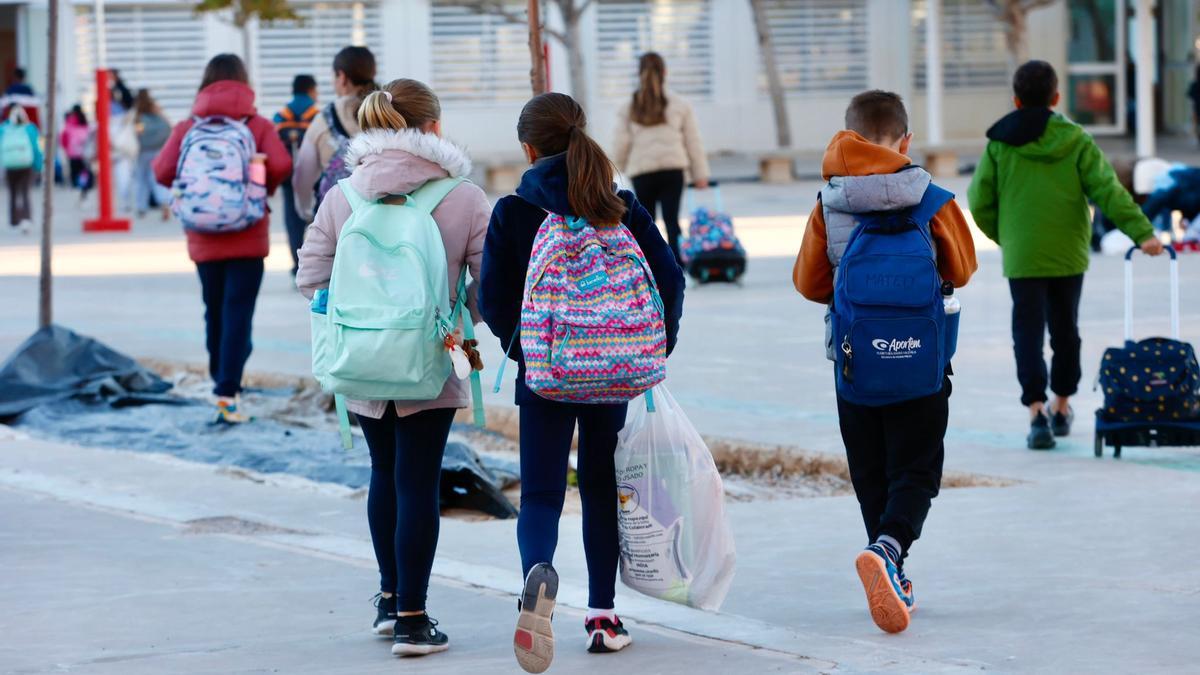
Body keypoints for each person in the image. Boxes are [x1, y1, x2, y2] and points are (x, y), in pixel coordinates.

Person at [479, 92, 684, 672]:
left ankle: (537, 581)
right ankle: (601, 615)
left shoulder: (515, 210)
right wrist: (649, 343)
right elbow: (669, 278)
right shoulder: (619, 204)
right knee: (599, 486)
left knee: (542, 492)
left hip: (546, 374)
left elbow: (492, 298)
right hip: (614, 370)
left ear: (528, 148)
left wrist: (525, 350)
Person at [296, 78, 490, 658]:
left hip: (360, 360)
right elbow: (490, 289)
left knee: (384, 471)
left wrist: (363, 309)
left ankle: (388, 601)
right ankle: (413, 619)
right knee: (418, 480)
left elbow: (310, 279)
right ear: (433, 127)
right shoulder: (463, 195)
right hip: (431, 359)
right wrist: (462, 323)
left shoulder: (343, 194)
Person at [794, 90, 977, 635]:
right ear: (905, 140)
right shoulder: (934, 198)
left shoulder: (830, 202)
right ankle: (890, 550)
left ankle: (889, 560)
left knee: (872, 470)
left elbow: (810, 283)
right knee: (916, 468)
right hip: (922, 363)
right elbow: (962, 269)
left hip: (855, 365)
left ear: (849, 135)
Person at [967, 60, 1163, 450]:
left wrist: (1009, 237)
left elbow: (979, 200)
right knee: (1065, 331)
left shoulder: (999, 143)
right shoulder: (1076, 139)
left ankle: (1036, 412)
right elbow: (1108, 191)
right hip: (1068, 253)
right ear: (1057, 97)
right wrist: (1143, 234)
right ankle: (1061, 406)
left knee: (1026, 333)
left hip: (1024, 254)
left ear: (1016, 99)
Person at [153, 54, 291, 423]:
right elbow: (280, 165)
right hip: (248, 233)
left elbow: (162, 170)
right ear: (244, 83)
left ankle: (221, 381)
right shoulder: (257, 124)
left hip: (202, 236)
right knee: (238, 313)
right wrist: (260, 190)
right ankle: (227, 390)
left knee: (213, 310)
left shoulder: (188, 127)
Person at [612, 52, 709, 263]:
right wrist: (700, 174)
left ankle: (650, 265)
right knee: (672, 220)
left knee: (647, 222)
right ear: (665, 72)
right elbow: (693, 141)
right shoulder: (680, 104)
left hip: (642, 171)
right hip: (673, 170)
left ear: (639, 74)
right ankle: (676, 265)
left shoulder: (629, 106)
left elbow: (621, 142)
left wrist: (615, 170)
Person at [292, 46, 376, 221]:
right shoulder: (389, 112)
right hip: (384, 218)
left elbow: (303, 176)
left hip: (337, 223)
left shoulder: (324, 120)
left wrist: (305, 209)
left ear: (342, 76)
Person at [274, 74, 320, 275]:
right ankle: (317, 265)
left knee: (293, 222)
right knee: (320, 221)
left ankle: (297, 267)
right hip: (315, 176)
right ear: (311, 90)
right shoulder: (318, 115)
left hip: (288, 177)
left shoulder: (280, 116)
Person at [0, 104, 42, 234]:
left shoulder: (3, 129)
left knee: (12, 193)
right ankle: (26, 219)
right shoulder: (30, 129)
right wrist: (39, 165)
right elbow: (36, 149)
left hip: (9, 165)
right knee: (25, 193)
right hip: (26, 164)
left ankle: (13, 220)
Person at [132, 89, 172, 219]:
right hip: (158, 150)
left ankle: (141, 207)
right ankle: (164, 202)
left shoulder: (138, 114)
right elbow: (168, 126)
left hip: (143, 151)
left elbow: (138, 132)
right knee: (156, 179)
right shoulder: (156, 110)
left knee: (141, 180)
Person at [60, 105, 93, 199]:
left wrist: (66, 148)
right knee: (83, 172)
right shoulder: (84, 120)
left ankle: (78, 189)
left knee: (75, 172)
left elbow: (64, 136)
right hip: (84, 152)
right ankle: (83, 189)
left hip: (72, 152)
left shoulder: (70, 120)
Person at [1187, 64, 1200, 145]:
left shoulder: (1195, 84)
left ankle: (1199, 139)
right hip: (1197, 107)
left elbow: (1190, 95)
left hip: (1197, 107)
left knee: (1197, 125)